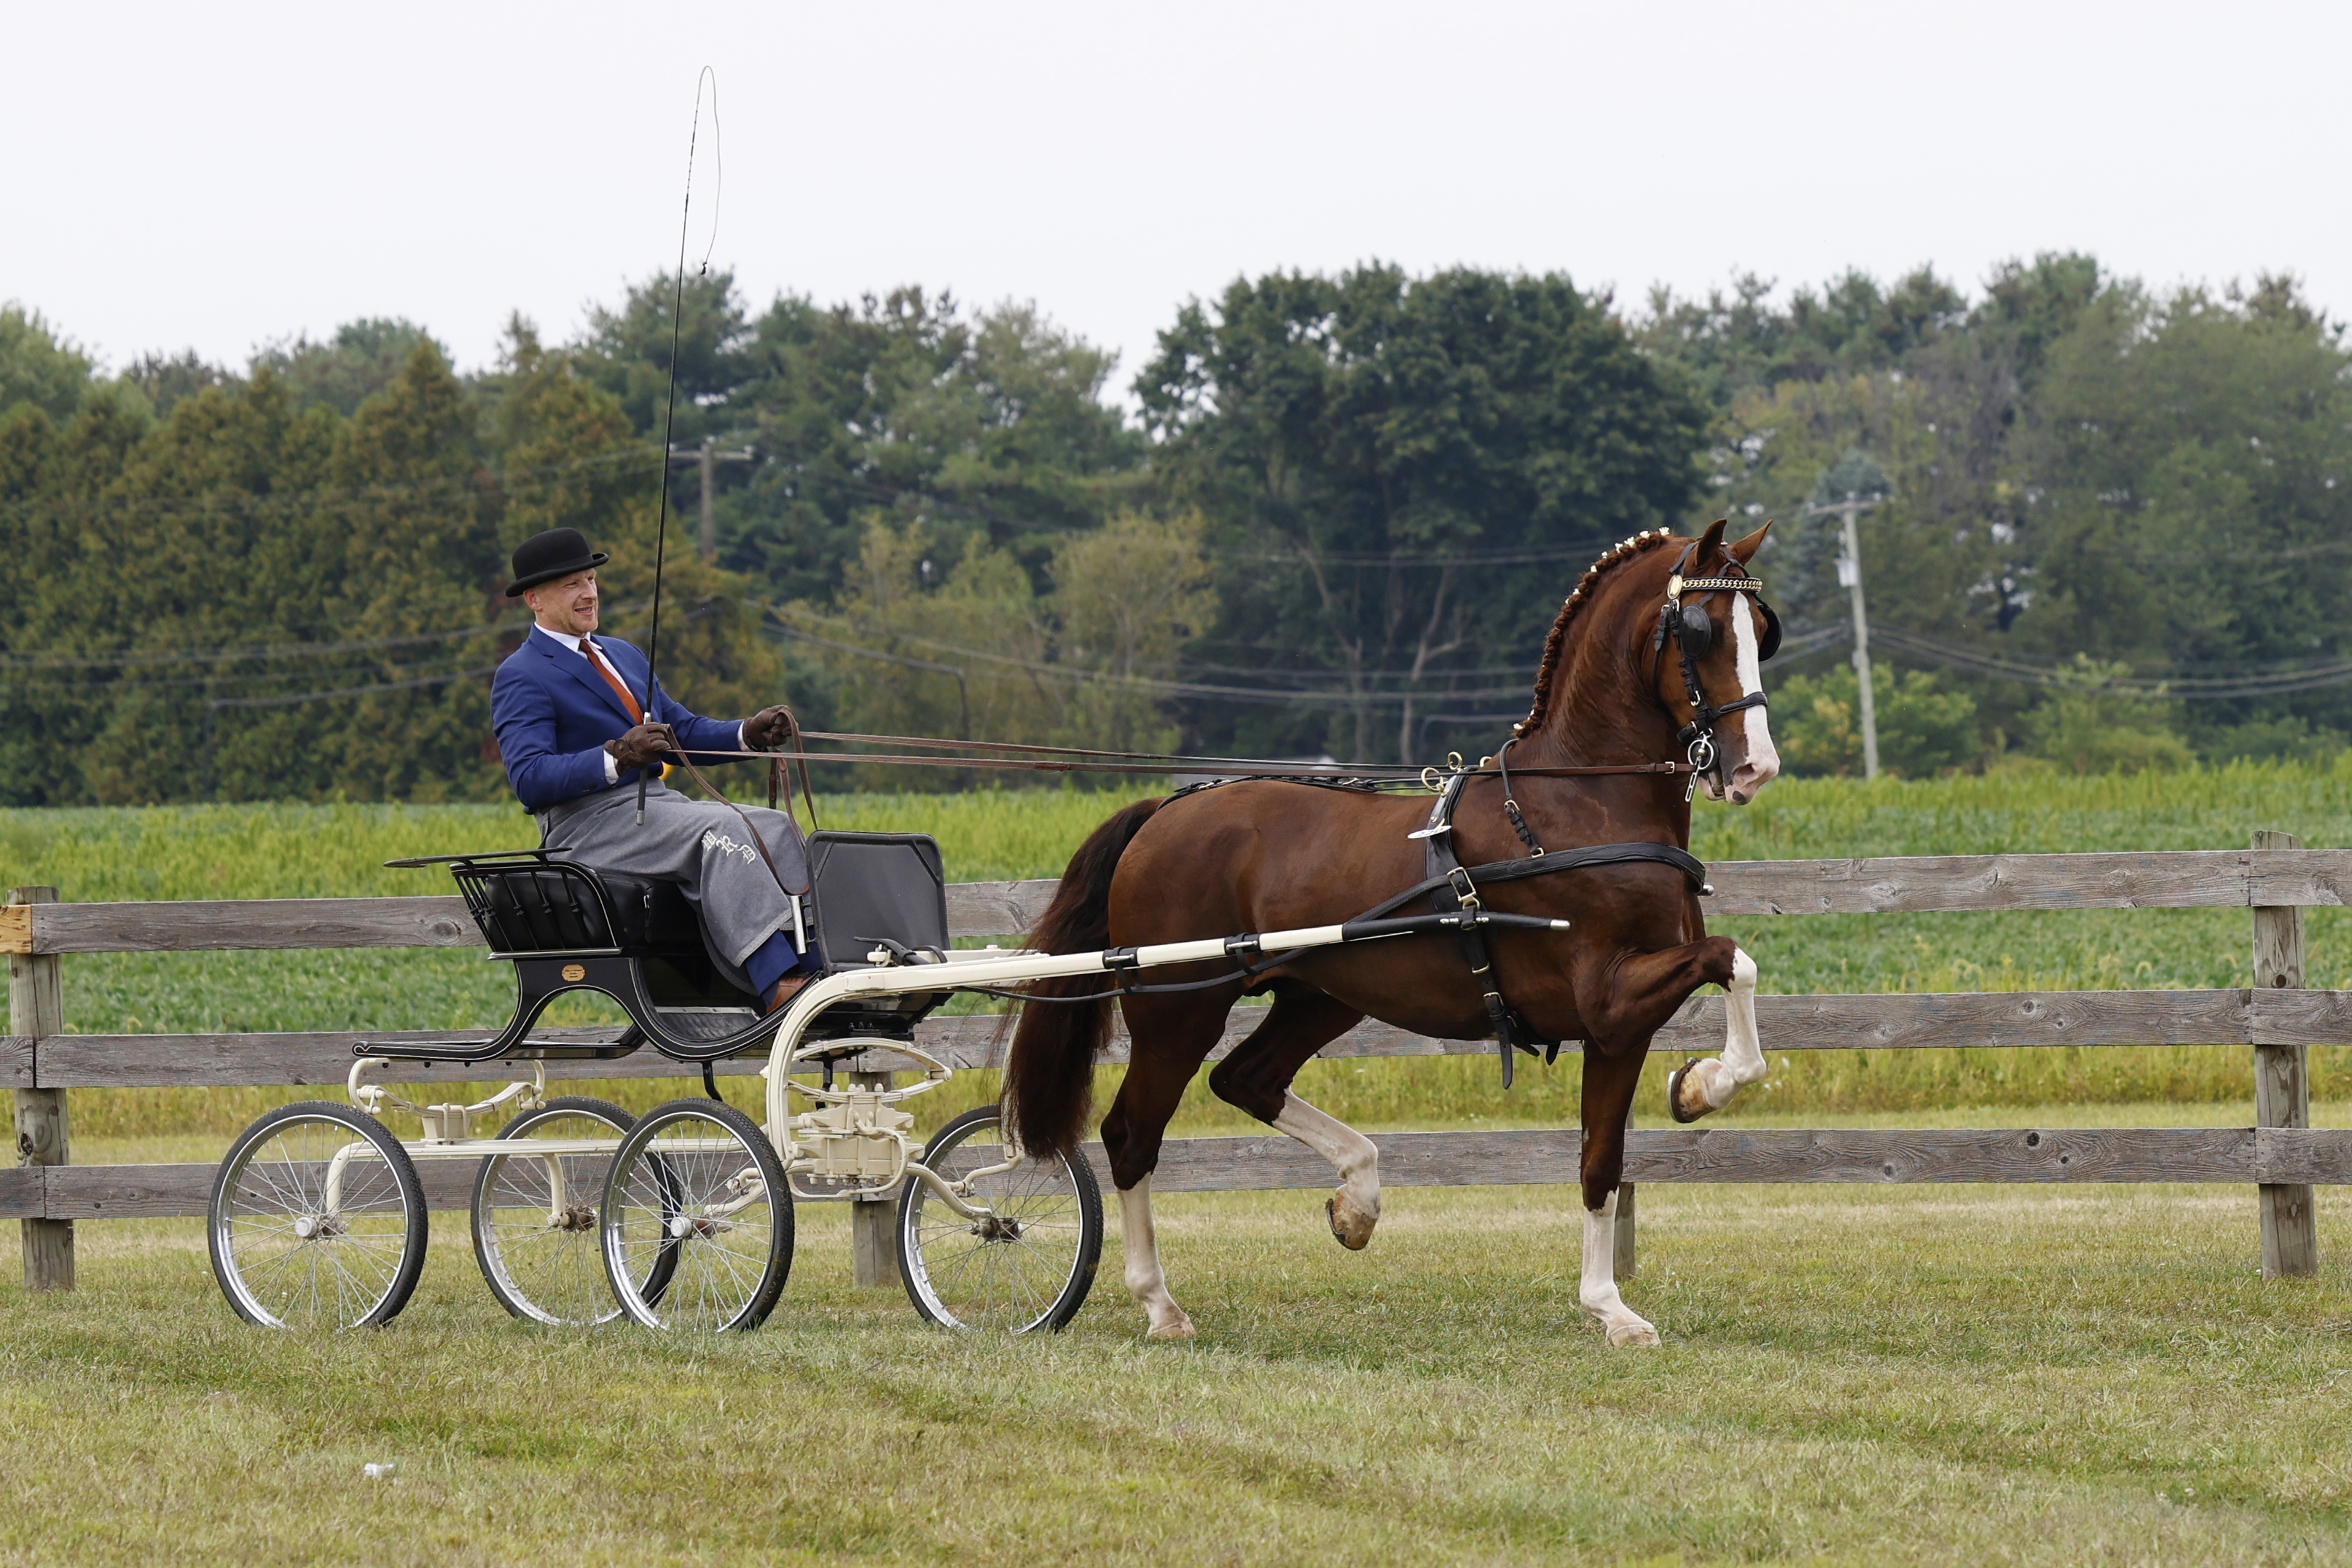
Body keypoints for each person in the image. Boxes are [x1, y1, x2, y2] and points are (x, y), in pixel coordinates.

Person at [488, 527, 821, 1010]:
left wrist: (747, 733)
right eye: (572, 585)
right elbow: (529, 778)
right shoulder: (522, 674)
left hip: (655, 811)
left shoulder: (623, 655)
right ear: (534, 600)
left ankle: (814, 965)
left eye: (591, 580)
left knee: (773, 826)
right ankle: (777, 982)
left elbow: (678, 733)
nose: (589, 593)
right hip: (586, 827)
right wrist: (617, 755)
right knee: (722, 831)